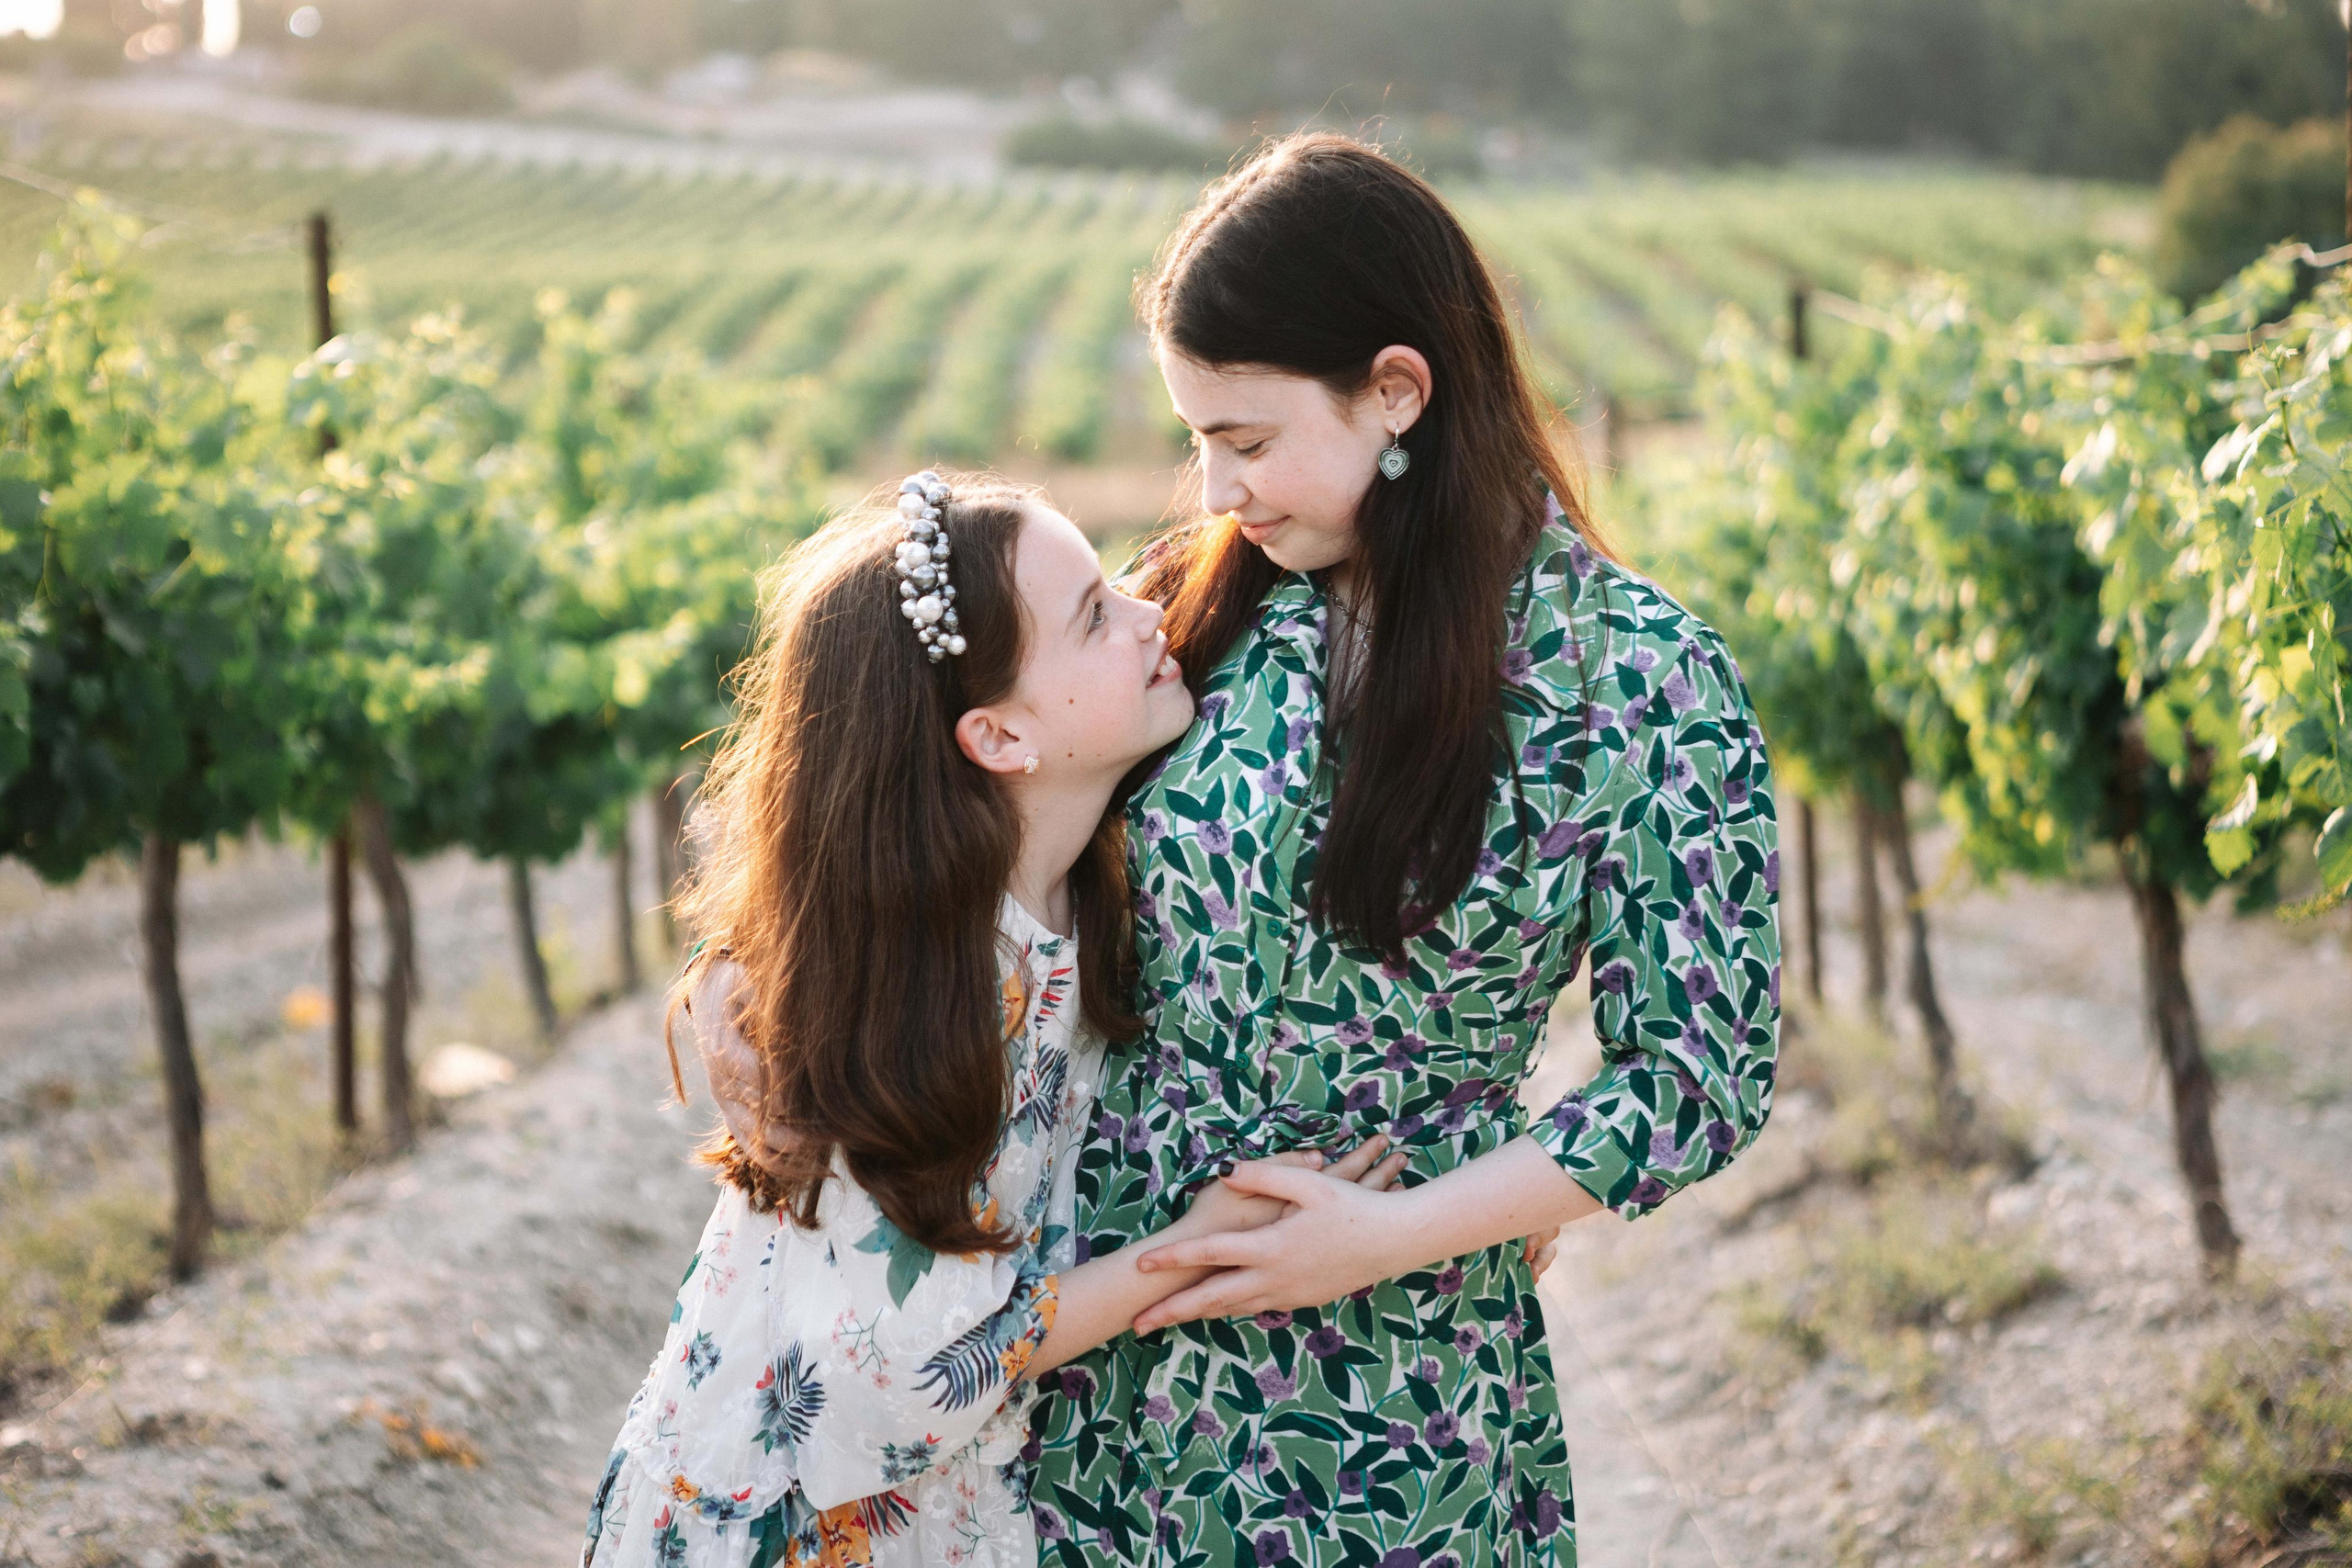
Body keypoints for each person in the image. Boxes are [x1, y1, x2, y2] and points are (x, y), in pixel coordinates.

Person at [1023, 134, 1784, 1567]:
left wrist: (1407, 1227)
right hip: (1120, 1318)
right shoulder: (1187, 614)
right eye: (1196, 437)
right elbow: (974, 806)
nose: (1213, 488)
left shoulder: (1639, 676)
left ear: (1395, 392)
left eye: (1244, 438)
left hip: (1393, 1373)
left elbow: (1703, 1070)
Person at [581, 474, 1408, 1568]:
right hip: (794, 1521)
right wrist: (1187, 1254)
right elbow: (905, 1375)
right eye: (1095, 616)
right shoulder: (948, 988)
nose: (1150, 612)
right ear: (1000, 738)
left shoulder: (1059, 898)